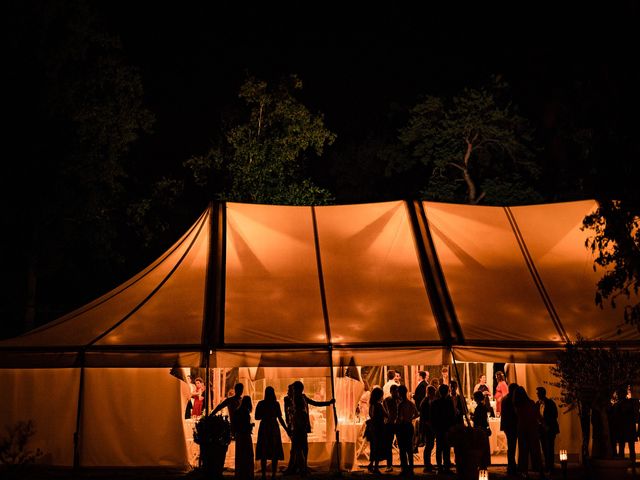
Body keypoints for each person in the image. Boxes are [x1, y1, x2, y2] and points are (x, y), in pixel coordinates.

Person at [289, 380, 335, 476]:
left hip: (300, 424)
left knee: (301, 446)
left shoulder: (300, 397)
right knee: (300, 446)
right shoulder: (295, 398)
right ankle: (300, 466)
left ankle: (302, 466)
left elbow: (315, 403)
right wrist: (328, 403)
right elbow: (315, 403)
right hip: (299, 424)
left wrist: (328, 403)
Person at [255, 386, 288, 480]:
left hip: (264, 427)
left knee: (263, 450)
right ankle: (273, 474)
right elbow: (280, 418)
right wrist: (286, 429)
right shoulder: (276, 404)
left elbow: (257, 417)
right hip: (274, 427)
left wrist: (265, 415)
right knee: (274, 450)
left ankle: (264, 474)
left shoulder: (261, 403)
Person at [514, 386, 545, 479]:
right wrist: (543, 424)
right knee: (535, 451)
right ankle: (540, 471)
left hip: (522, 429)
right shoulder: (531, 403)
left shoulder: (517, 406)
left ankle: (524, 471)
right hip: (532, 429)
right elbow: (538, 416)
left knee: (523, 451)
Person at [430, 384, 455, 474]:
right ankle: (446, 466)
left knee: (439, 448)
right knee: (446, 448)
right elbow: (452, 416)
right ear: (447, 392)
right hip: (446, 428)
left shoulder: (434, 403)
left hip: (438, 428)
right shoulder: (449, 402)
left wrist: (434, 427)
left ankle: (440, 466)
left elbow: (432, 417)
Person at [611, 386, 638, 464]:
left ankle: (625, 462)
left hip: (624, 428)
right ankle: (630, 463)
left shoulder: (620, 404)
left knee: (624, 447)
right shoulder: (629, 403)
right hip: (627, 428)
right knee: (629, 447)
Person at [536, 386, 559, 474]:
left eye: (538, 393)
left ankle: (551, 467)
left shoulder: (550, 403)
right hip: (541, 430)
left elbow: (555, 415)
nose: (537, 394)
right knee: (544, 449)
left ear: (543, 393)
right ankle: (547, 466)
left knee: (550, 448)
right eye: (537, 393)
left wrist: (547, 424)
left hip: (550, 429)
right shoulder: (537, 403)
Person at [396, 385, 419, 476]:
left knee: (402, 449)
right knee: (409, 448)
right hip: (409, 426)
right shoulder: (411, 403)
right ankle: (411, 468)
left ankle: (404, 469)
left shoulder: (401, 404)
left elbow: (399, 417)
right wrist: (410, 418)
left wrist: (397, 424)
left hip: (402, 426)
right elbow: (417, 414)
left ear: (400, 393)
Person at [232, 395, 255, 479]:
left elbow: (236, 424)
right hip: (245, 435)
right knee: (247, 454)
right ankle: (247, 473)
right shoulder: (245, 412)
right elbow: (245, 425)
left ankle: (240, 473)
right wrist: (251, 425)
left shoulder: (237, 411)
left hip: (239, 435)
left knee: (240, 455)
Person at [366, 387, 387, 474]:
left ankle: (371, 464)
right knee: (378, 447)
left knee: (373, 447)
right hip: (379, 427)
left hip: (372, 428)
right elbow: (386, 414)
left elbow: (371, 415)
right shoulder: (379, 405)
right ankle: (376, 467)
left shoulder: (371, 405)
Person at [500, 382, 519, 475]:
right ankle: (512, 466)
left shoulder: (504, 399)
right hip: (513, 426)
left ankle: (511, 465)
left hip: (507, 426)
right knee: (512, 446)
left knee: (511, 446)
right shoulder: (512, 399)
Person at [472, 391, 492, 469]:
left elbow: (478, 419)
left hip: (479, 429)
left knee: (480, 447)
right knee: (484, 446)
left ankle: (482, 463)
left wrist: (472, 418)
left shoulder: (479, 407)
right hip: (483, 429)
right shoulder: (483, 406)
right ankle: (483, 463)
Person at [419, 385, 437, 472]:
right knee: (429, 446)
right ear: (430, 393)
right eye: (433, 392)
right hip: (427, 427)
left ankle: (428, 464)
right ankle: (427, 466)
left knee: (430, 445)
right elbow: (424, 417)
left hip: (429, 426)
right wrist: (430, 425)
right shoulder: (425, 402)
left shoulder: (427, 401)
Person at [382, 384, 399, 472]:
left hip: (397, 424)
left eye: (397, 391)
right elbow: (385, 413)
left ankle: (401, 465)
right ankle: (389, 465)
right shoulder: (387, 400)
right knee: (388, 445)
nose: (396, 393)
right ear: (392, 391)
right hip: (390, 424)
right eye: (395, 391)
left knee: (402, 445)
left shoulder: (399, 400)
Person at [412, 371, 428, 452]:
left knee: (420, 425)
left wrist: (413, 396)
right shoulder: (423, 384)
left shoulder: (423, 385)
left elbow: (420, 396)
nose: (416, 376)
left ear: (421, 376)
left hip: (420, 407)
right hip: (420, 407)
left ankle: (421, 441)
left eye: (417, 375)